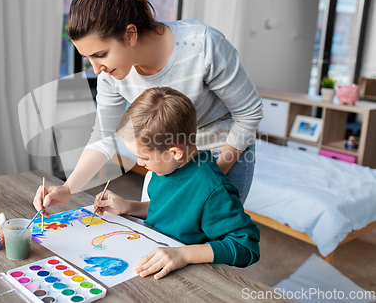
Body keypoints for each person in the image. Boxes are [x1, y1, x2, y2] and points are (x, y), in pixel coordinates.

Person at [33, 0, 263, 214]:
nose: (97, 68)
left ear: (130, 34)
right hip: (164, 156)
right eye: (88, 57)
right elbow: (103, 136)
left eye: (100, 54)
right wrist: (68, 189)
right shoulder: (112, 75)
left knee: (206, 236)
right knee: (154, 230)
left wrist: (209, 178)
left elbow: (249, 113)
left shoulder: (202, 46)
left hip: (221, 149)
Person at [94, 87, 260, 279]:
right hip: (153, 256)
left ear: (175, 152)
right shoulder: (167, 167)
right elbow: (170, 210)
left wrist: (184, 254)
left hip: (185, 275)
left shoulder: (212, 188)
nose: (140, 163)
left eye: (144, 157)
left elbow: (247, 245)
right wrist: (128, 206)